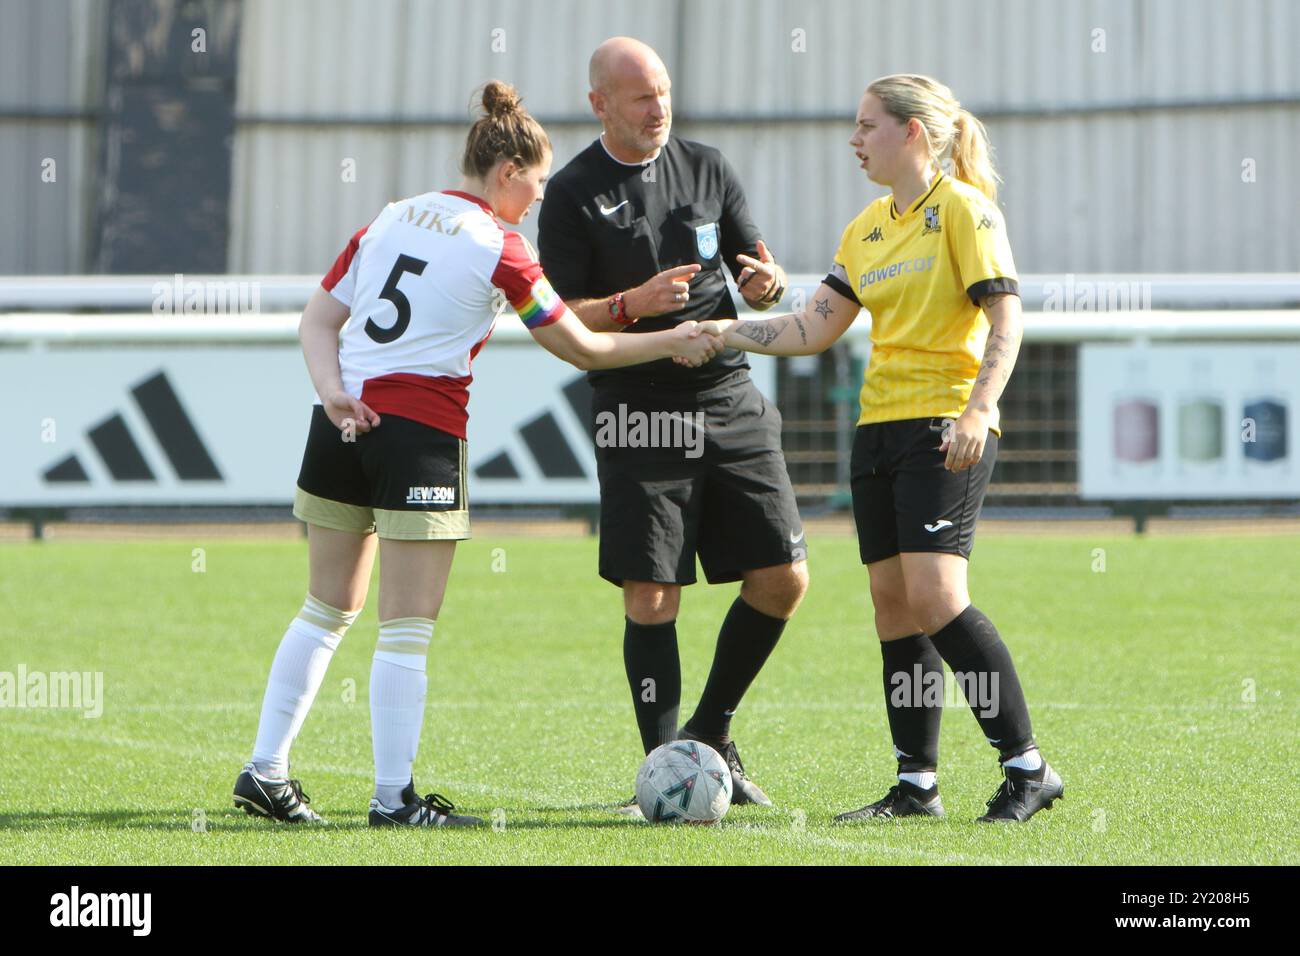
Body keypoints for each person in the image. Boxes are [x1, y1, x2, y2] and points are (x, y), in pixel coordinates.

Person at [231, 81, 723, 829]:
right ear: (506, 173)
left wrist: (334, 394)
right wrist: (673, 338)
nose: (538, 198)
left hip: (340, 425)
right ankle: (393, 800)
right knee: (405, 629)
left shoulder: (390, 216)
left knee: (324, 609)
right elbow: (580, 347)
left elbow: (318, 320)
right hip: (418, 433)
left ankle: (265, 770)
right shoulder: (501, 245)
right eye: (536, 182)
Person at [695, 74, 1064, 823]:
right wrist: (724, 332)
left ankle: (1028, 767)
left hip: (944, 429)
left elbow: (1007, 320)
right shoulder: (866, 227)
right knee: (894, 608)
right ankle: (916, 784)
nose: (854, 140)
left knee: (936, 596)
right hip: (879, 434)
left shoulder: (963, 209)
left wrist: (978, 409)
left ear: (913, 135)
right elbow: (812, 328)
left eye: (868, 126)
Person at [537, 37, 808, 814]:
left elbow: (760, 270)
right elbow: (556, 318)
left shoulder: (709, 166)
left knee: (784, 578)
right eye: (639, 97)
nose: (658, 108)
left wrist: (768, 280)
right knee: (652, 594)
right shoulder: (571, 193)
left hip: (728, 393)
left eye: (661, 92)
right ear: (600, 105)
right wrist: (633, 305)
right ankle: (665, 768)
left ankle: (711, 733)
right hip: (636, 407)